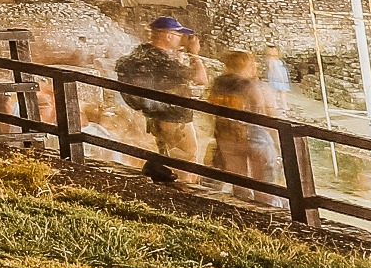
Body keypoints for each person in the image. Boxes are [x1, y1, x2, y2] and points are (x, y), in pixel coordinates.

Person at [113, 16, 202, 184]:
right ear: (168, 35)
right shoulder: (162, 61)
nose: (182, 39)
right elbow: (200, 78)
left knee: (167, 159)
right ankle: (183, 197)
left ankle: (159, 177)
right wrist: (194, 54)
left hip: (155, 117)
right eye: (179, 34)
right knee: (185, 162)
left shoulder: (141, 52)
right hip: (174, 119)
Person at [205, 52, 279, 198]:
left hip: (227, 136)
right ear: (248, 65)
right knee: (264, 185)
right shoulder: (253, 85)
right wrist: (277, 141)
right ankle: (265, 213)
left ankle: (244, 211)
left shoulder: (218, 84)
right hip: (255, 137)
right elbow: (266, 113)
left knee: (239, 182)